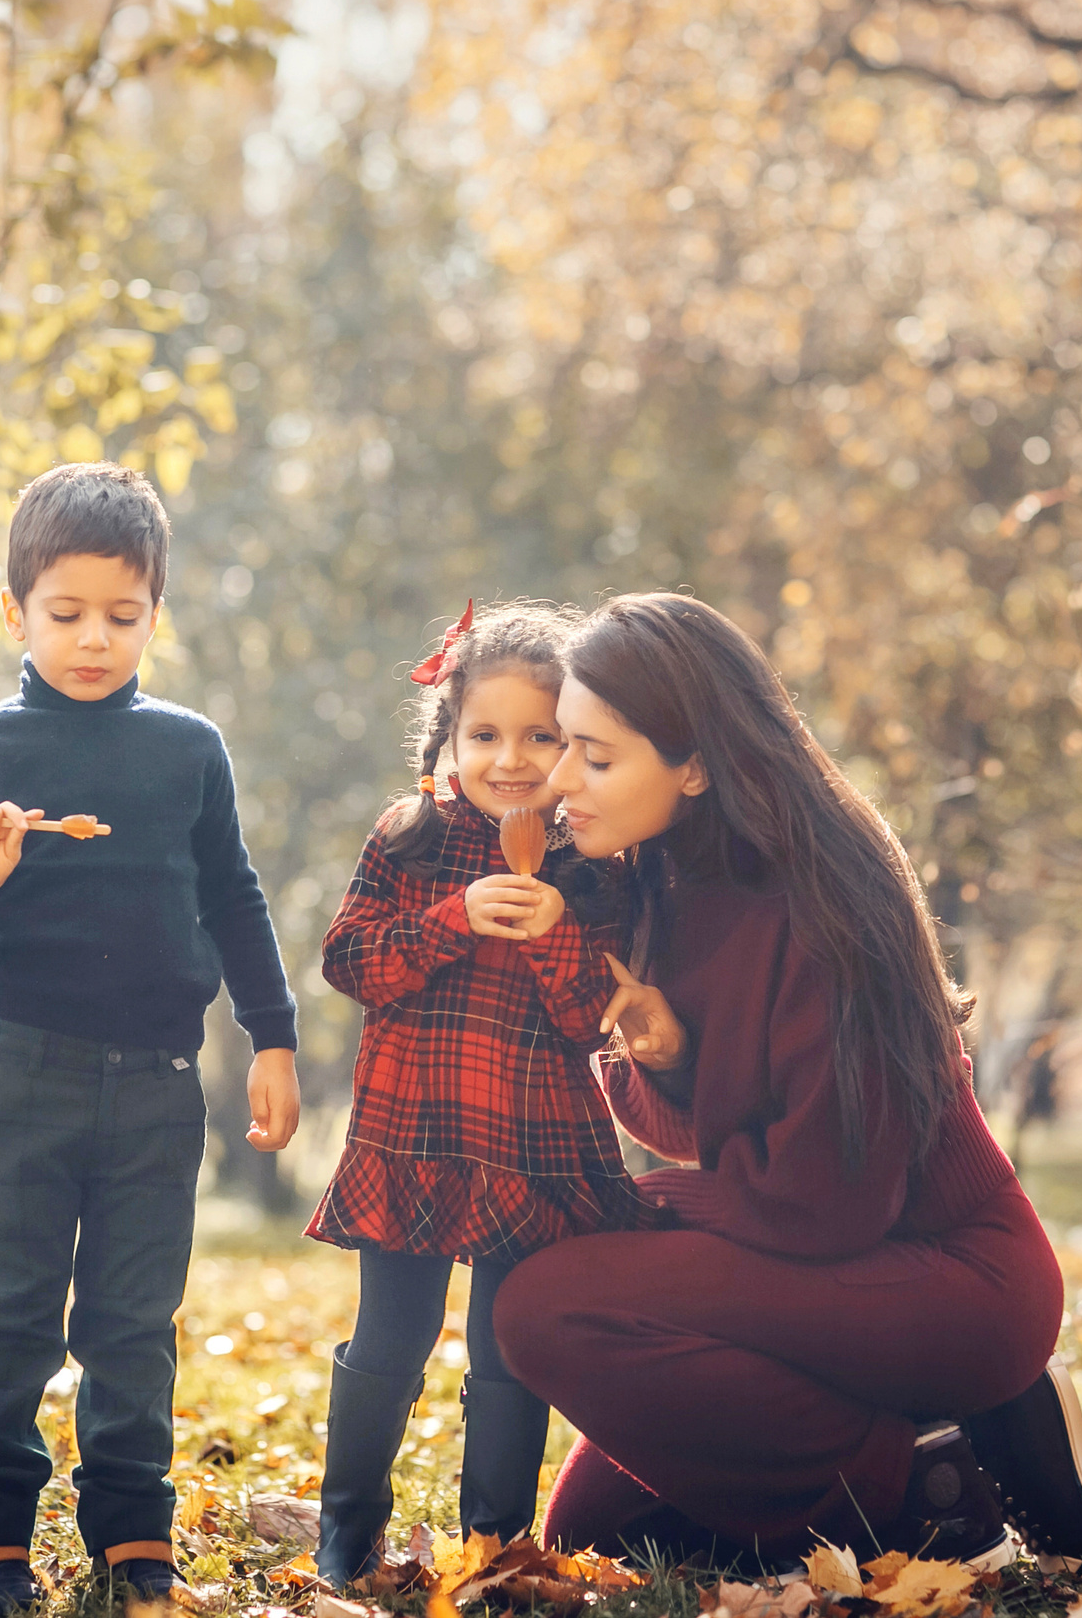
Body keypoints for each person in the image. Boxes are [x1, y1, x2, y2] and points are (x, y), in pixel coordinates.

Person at [493, 592, 1082, 1574]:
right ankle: (936, 1436)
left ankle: (926, 1496)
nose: (560, 779)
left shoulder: (826, 904)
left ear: (694, 763)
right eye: (565, 744)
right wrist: (665, 1056)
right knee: (598, 1533)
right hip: (814, 1269)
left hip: (947, 1279)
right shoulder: (654, 879)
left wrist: (634, 1207)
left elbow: (825, 1207)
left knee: (544, 1305)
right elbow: (708, 1133)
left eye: (596, 755)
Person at [0, 463, 302, 1618]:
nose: (93, 639)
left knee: (130, 1320)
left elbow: (235, 898)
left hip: (162, 1082)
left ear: (155, 615)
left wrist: (271, 1035)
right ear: (13, 612)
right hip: (24, 1070)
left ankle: (131, 1532)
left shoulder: (186, 750)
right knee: (8, 1312)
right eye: (65, 614)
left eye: (122, 616)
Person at [306, 602, 646, 1587]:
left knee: (508, 1357)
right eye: (485, 734)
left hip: (530, 1147)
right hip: (412, 1132)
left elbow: (594, 1018)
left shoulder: (589, 866)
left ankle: (491, 1546)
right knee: (387, 1342)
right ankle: (347, 1529)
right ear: (446, 740)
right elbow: (349, 961)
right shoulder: (409, 838)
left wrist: (554, 932)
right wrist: (452, 919)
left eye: (542, 736)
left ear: (575, 745)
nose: (511, 758)